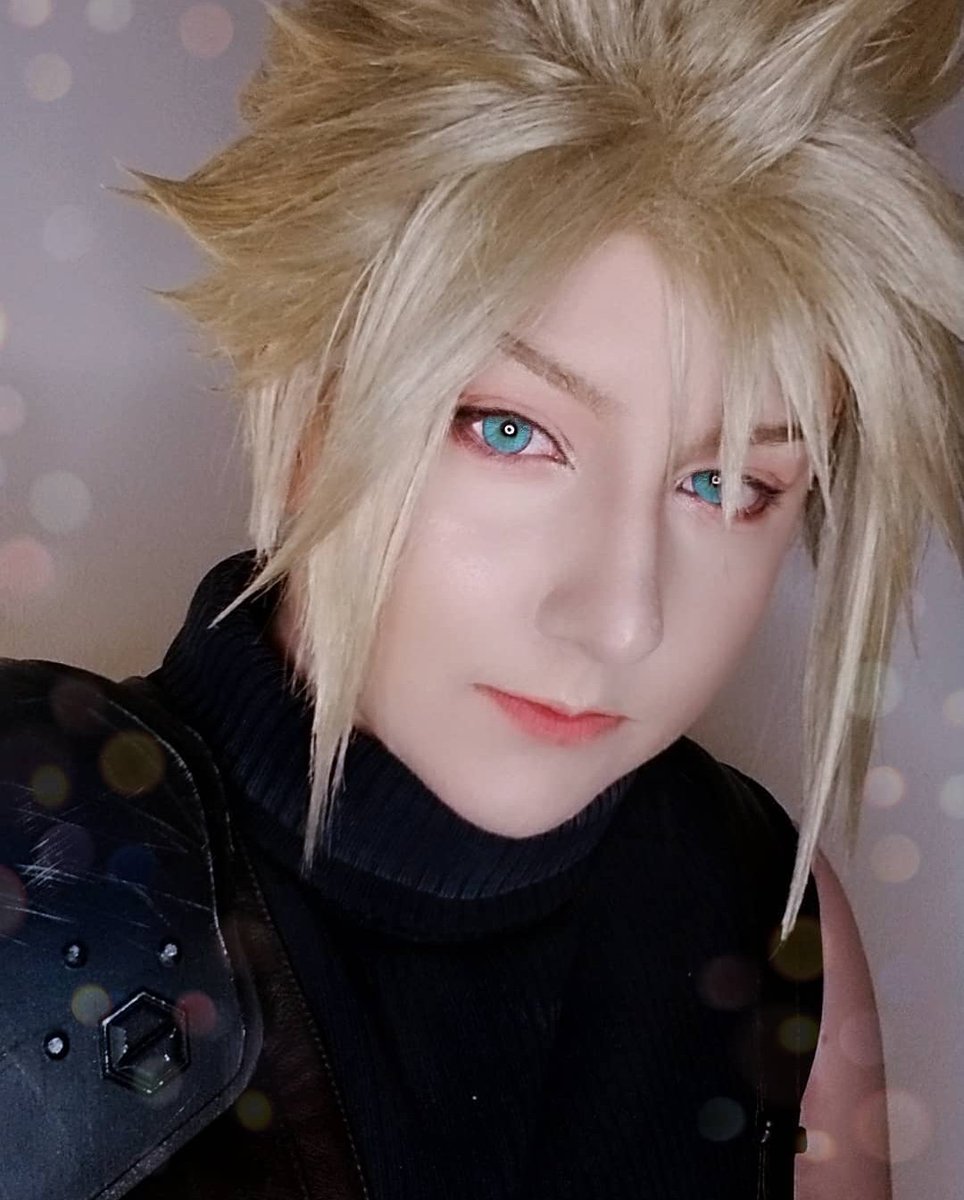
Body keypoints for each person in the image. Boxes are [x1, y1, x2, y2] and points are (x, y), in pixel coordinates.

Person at [2, 1, 962, 1197]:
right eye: (510, 430)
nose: (621, 619)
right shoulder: (37, 867)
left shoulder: (768, 918)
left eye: (726, 483)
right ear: (309, 378)